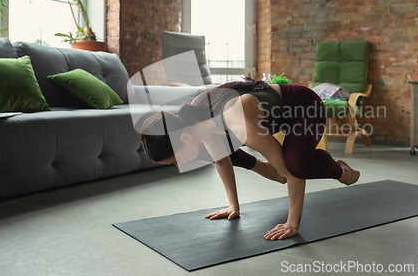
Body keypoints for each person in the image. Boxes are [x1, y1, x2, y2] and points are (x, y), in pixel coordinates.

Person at [141, 77, 360, 240]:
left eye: (174, 161)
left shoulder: (236, 118)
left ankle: (340, 171)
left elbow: (289, 173)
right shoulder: (197, 124)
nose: (178, 165)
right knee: (216, 152)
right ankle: (275, 166)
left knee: (295, 165)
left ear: (185, 137)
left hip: (304, 106)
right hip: (276, 118)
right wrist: (233, 206)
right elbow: (222, 160)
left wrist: (292, 223)